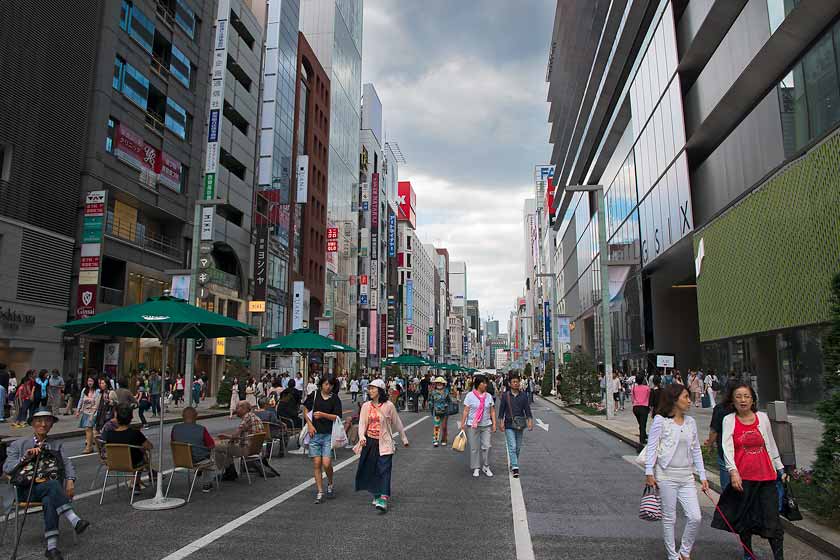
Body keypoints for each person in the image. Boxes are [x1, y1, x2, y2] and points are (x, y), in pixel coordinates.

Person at [3, 407, 90, 559]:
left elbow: (67, 464)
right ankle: (74, 519)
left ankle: (52, 548)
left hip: (49, 491)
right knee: (53, 487)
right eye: (39, 421)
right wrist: (25, 457)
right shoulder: (18, 445)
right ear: (33, 423)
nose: (43, 424)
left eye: (47, 421)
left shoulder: (56, 445)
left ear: (51, 425)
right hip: (25, 491)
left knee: (50, 496)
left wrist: (70, 481)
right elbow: (7, 469)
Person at [712, 383, 786, 559]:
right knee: (745, 518)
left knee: (772, 520)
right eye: (738, 396)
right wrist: (733, 472)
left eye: (746, 396)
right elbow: (727, 447)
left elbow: (771, 444)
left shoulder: (763, 417)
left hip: (767, 477)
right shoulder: (728, 420)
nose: (743, 400)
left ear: (753, 400)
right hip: (743, 479)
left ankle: (779, 557)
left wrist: (781, 468)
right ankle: (748, 553)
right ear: (732, 400)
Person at [645, 384, 708, 560]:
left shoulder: (691, 423)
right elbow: (652, 448)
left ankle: (685, 551)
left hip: (687, 476)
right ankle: (673, 556)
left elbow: (696, 449)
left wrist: (702, 475)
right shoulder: (661, 420)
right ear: (674, 399)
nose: (689, 401)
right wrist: (649, 472)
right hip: (666, 475)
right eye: (686, 397)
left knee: (695, 516)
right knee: (669, 518)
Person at [355, 378, 409, 513]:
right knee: (372, 469)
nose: (370, 390)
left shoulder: (389, 406)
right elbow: (362, 424)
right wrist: (362, 437)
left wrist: (404, 438)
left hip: (384, 441)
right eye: (369, 388)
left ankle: (383, 498)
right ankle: (377, 494)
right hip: (370, 441)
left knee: (384, 469)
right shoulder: (366, 406)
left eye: (373, 388)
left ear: (380, 390)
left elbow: (397, 422)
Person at [303, 376, 342, 503]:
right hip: (315, 434)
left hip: (328, 434)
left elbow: (337, 416)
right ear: (321, 384)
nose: (328, 387)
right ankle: (320, 491)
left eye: (330, 385)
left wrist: (323, 415)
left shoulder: (335, 398)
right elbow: (305, 409)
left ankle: (330, 483)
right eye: (326, 384)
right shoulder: (314, 395)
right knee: (317, 464)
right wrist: (309, 424)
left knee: (326, 463)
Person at [215, 401, 265, 480]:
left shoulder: (247, 417)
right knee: (226, 447)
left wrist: (225, 436)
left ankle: (228, 471)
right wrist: (231, 439)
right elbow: (246, 436)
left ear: (244, 409)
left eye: (238, 408)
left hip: (246, 449)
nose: (235, 410)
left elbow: (236, 435)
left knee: (216, 447)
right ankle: (230, 471)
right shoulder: (253, 416)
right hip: (256, 449)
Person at [496, 373, 533, 478]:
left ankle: (513, 463)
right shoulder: (505, 396)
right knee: (512, 446)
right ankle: (515, 467)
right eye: (514, 382)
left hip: (520, 424)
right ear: (510, 383)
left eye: (517, 381)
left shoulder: (524, 396)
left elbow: (527, 410)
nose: (516, 384)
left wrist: (530, 421)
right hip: (508, 424)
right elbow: (501, 410)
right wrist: (501, 422)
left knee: (518, 447)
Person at [171, 407, 216, 492]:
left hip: (180, 459)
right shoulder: (201, 429)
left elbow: (173, 441)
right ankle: (206, 483)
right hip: (197, 459)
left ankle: (199, 471)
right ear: (196, 416)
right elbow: (211, 445)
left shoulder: (175, 428)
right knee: (211, 457)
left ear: (182, 416)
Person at [460, 374, 497, 478]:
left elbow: (492, 411)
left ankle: (486, 466)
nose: (485, 385)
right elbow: (466, 410)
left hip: (486, 424)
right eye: (483, 383)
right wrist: (462, 423)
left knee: (487, 446)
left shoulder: (488, 396)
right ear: (478, 384)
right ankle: (476, 467)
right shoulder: (470, 396)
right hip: (473, 425)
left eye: (486, 383)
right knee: (474, 447)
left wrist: (494, 424)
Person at [102, 405, 152, 480]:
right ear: (131, 418)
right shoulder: (135, 433)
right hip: (132, 463)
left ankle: (137, 482)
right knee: (143, 455)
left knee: (140, 453)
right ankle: (135, 482)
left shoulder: (109, 434)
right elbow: (150, 446)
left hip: (113, 463)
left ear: (116, 418)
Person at [704, 384, 735, 489]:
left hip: (724, 451)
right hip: (730, 451)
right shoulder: (739, 411)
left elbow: (714, 430)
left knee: (726, 489)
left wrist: (710, 445)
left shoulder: (720, 408)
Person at [74, 377, 102, 454]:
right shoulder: (84, 390)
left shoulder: (97, 391)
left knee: (89, 428)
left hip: (93, 412)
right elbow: (81, 399)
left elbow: (97, 403)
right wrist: (78, 410)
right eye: (88, 381)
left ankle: (89, 447)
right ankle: (93, 445)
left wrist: (94, 412)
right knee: (89, 429)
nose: (89, 382)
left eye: (91, 381)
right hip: (85, 411)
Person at [428, 377, 451, 447]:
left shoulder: (446, 391)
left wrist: (448, 405)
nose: (439, 384)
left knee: (444, 427)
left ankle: (444, 439)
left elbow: (449, 400)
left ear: (443, 384)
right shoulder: (433, 392)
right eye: (438, 383)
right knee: (436, 426)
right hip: (436, 411)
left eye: (440, 383)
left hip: (445, 411)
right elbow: (431, 401)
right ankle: (435, 440)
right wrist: (431, 408)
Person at [631, 374, 651, 444]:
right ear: (643, 380)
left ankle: (644, 435)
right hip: (644, 407)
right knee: (643, 424)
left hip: (635, 408)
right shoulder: (647, 388)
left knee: (641, 423)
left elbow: (632, 399)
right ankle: (642, 440)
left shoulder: (633, 388)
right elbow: (649, 398)